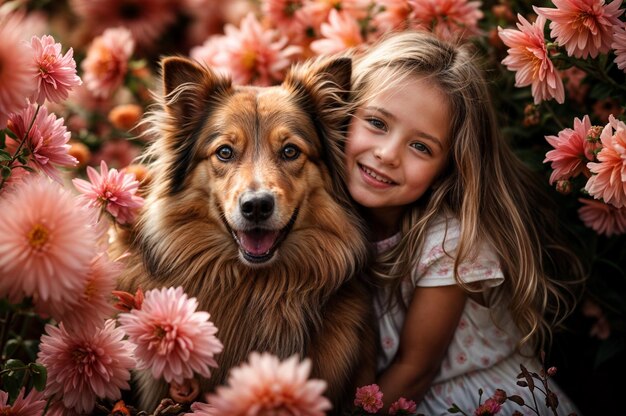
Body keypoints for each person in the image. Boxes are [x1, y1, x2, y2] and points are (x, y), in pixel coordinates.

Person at [343, 31, 586, 415]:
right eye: (376, 122)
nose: (387, 154)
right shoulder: (327, 215)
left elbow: (414, 371)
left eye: (421, 146)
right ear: (344, 112)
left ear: (449, 165)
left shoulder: (450, 242)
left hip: (476, 400)